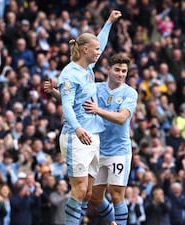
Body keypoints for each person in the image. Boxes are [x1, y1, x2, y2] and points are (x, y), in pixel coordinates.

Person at [55, 10, 122, 225]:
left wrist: (109, 22)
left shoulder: (87, 68)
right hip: (77, 136)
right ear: (84, 50)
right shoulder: (69, 74)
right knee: (80, 189)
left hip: (93, 135)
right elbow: (66, 105)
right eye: (95, 50)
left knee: (89, 193)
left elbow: (99, 41)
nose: (98, 52)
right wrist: (77, 129)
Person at [83, 54, 138, 225]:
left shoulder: (129, 92)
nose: (120, 74)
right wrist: (56, 92)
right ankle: (112, 222)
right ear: (109, 70)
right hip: (99, 149)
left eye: (124, 71)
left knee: (116, 194)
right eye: (117, 70)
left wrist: (97, 110)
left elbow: (122, 118)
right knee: (95, 196)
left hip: (119, 151)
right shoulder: (97, 88)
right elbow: (76, 101)